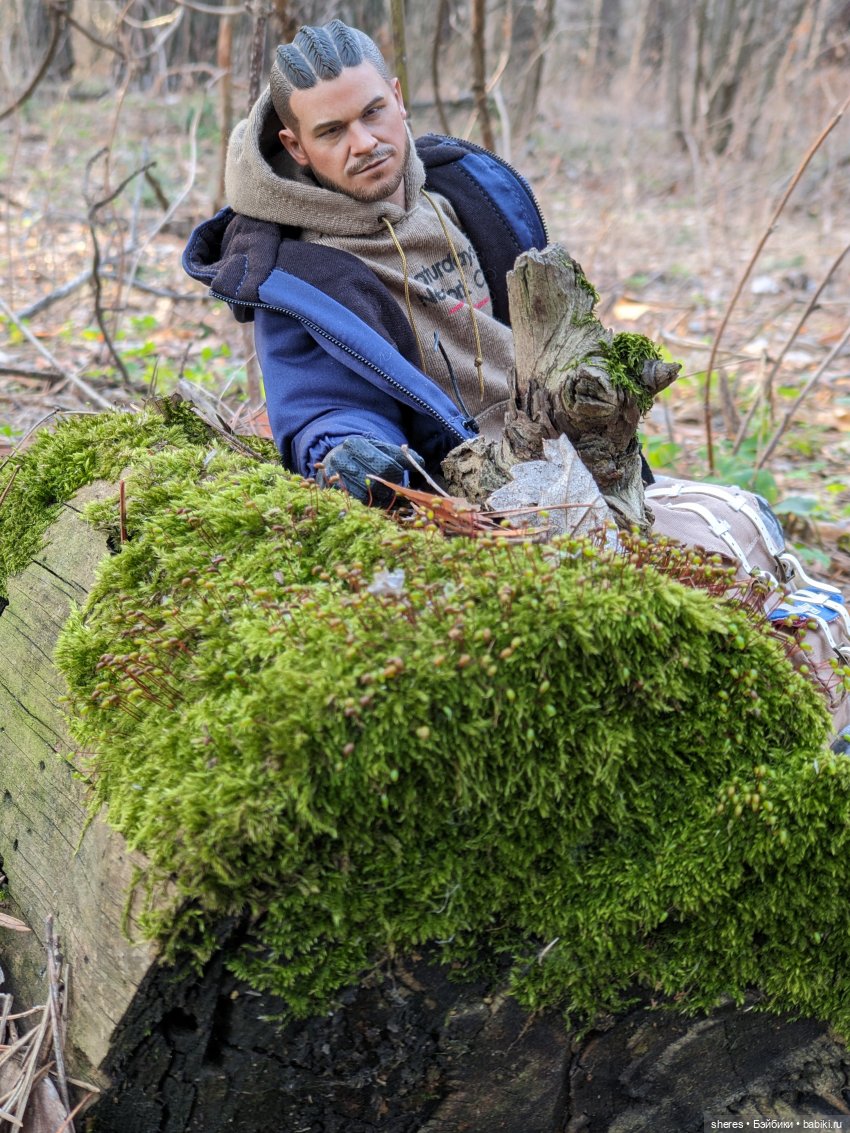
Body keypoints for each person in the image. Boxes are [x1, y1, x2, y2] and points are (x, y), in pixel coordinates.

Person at [183, 19, 850, 741]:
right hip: (484, 501)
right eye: (332, 130)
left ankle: (823, 714)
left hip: (576, 455)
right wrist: (341, 450)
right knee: (696, 589)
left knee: (745, 525)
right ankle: (793, 730)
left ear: (398, 97)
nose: (364, 141)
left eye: (374, 112)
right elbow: (318, 406)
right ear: (295, 146)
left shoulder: (463, 192)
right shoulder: (300, 274)